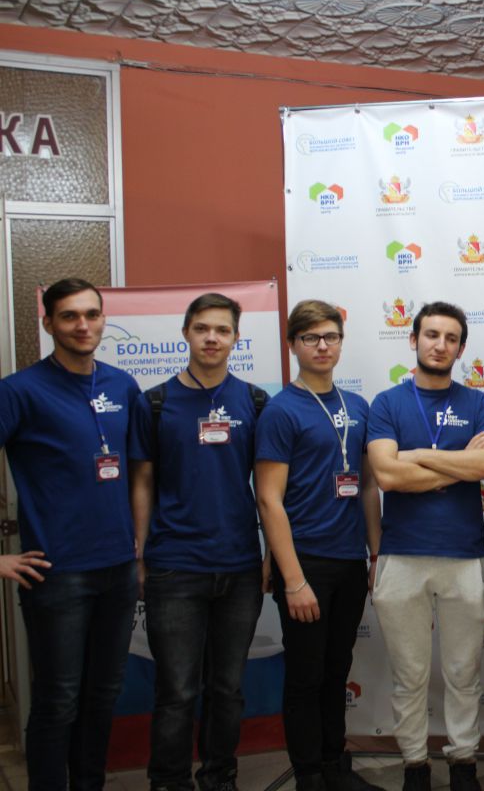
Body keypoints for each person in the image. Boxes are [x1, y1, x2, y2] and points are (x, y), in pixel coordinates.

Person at [0, 278, 140, 790]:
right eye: (69, 316)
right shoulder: (19, 391)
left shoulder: (122, 386)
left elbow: (139, 472)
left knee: (102, 696)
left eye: (91, 314)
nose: (83, 325)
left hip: (118, 570)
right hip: (57, 574)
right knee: (58, 700)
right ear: (48, 323)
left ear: (103, 319)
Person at [129, 293, 268, 791]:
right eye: (202, 328)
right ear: (186, 333)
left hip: (240, 567)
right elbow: (142, 481)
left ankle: (219, 778)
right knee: (177, 691)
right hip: (174, 566)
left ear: (236, 338)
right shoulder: (155, 402)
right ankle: (168, 781)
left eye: (222, 330)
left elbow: (270, 489)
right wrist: (139, 554)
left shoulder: (255, 402)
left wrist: (271, 558)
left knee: (227, 689)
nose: (212, 338)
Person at [366, 302, 484, 791]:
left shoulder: (479, 404)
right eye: (431, 335)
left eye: (450, 338)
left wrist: (420, 457)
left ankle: (463, 762)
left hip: (464, 554)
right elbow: (387, 475)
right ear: (413, 340)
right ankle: (414, 766)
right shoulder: (387, 403)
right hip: (401, 554)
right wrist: (457, 463)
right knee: (410, 674)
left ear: (461, 349)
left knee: (464, 671)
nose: (440, 345)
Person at [255, 300, 383, 791]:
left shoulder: (358, 406)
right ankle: (308, 775)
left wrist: (376, 554)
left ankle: (334, 766)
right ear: (293, 345)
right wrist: (292, 580)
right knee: (306, 675)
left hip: (349, 560)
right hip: (305, 561)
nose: (322, 345)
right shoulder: (281, 410)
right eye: (311, 338)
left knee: (336, 669)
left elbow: (367, 486)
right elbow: (269, 499)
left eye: (331, 336)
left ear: (341, 343)